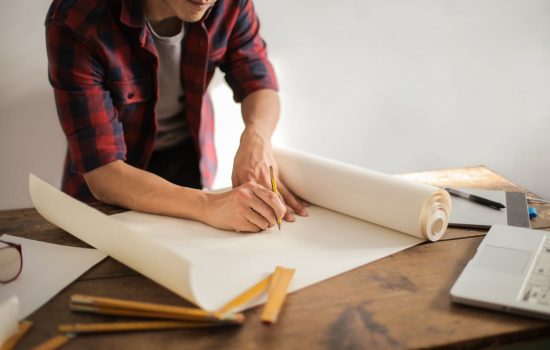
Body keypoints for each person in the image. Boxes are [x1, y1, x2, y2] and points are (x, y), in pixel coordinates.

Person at [45, 0, 307, 233]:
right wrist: (211, 205)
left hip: (189, 160)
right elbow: (103, 175)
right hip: (110, 188)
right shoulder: (76, 17)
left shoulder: (230, 4)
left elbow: (259, 82)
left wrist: (256, 137)